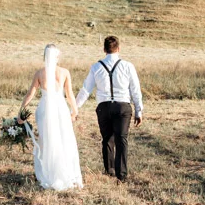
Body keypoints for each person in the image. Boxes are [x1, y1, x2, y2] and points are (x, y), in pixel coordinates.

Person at [76, 35, 144, 182]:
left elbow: (86, 90)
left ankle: (110, 170)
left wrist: (75, 108)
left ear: (104, 49)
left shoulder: (96, 67)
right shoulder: (127, 66)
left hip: (104, 107)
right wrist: (139, 110)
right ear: (118, 49)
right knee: (122, 139)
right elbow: (135, 90)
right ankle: (122, 174)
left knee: (107, 139)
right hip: (122, 106)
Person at [18, 44, 83, 191]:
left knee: (47, 139)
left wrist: (21, 110)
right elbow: (69, 94)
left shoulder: (40, 73)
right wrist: (75, 111)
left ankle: (49, 172)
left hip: (45, 109)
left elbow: (30, 94)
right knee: (64, 138)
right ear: (57, 57)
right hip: (61, 108)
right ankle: (67, 172)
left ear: (44, 57)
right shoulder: (64, 72)